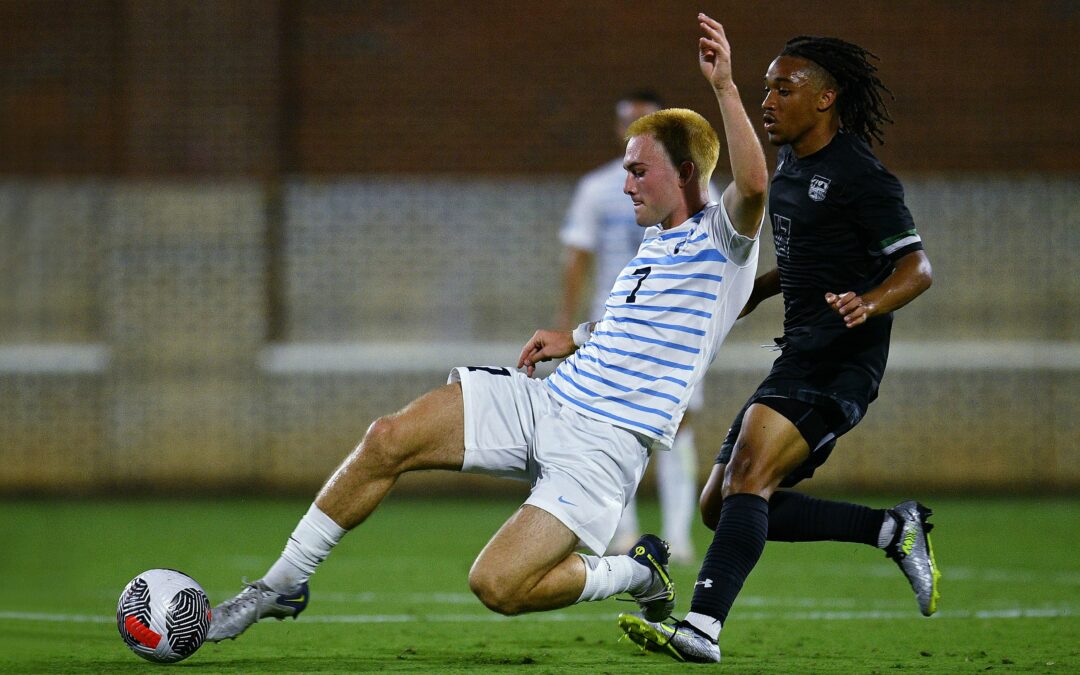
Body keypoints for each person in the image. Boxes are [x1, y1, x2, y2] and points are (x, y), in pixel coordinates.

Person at [204, 13, 767, 646]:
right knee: (388, 438)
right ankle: (278, 585)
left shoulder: (723, 238)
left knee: (498, 585)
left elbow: (753, 184)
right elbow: (645, 322)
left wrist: (724, 87)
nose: (626, 182)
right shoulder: (656, 244)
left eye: (640, 170)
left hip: (603, 449)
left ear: (688, 173)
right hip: (549, 399)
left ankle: (631, 572)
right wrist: (577, 338)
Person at [619, 22, 938, 664]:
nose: (769, 101)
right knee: (721, 505)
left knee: (747, 477)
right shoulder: (792, 164)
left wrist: (868, 303)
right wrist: (753, 291)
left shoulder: (861, 175)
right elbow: (802, 261)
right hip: (799, 354)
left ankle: (702, 628)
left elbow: (918, 270)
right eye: (764, 89)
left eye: (782, 89)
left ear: (825, 99)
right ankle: (889, 528)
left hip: (843, 362)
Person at [557, 89, 702, 563]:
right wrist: (567, 322)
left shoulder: (694, 184)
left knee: (677, 427)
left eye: (643, 121)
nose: (632, 129)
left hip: (675, 331)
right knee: (610, 427)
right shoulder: (599, 188)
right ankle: (623, 534)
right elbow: (577, 256)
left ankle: (678, 538)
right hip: (612, 327)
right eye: (626, 121)